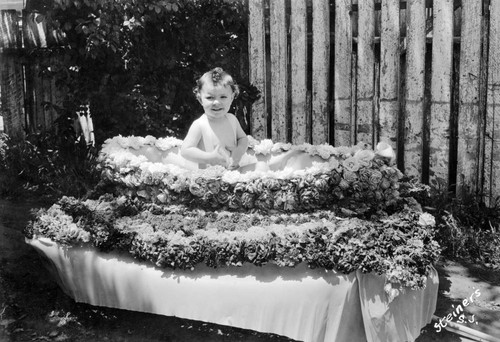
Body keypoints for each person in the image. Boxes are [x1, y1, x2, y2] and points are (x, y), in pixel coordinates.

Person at [181, 67, 248, 170]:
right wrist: (209, 158)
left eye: (223, 97)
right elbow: (185, 150)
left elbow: (242, 138)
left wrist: (238, 151)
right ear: (200, 99)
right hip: (209, 180)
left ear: (232, 97)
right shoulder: (200, 124)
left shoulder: (232, 119)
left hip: (233, 175)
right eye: (210, 98)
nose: (216, 102)